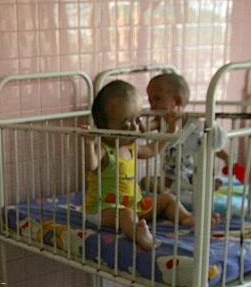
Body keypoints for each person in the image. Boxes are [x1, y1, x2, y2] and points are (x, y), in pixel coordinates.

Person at [85, 80, 195, 249]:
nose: (136, 127)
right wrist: (88, 144)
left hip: (134, 204)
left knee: (168, 199)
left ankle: (187, 218)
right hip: (103, 209)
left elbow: (152, 150)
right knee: (125, 215)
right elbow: (91, 165)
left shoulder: (131, 147)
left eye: (137, 119)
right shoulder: (105, 149)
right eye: (127, 123)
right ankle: (139, 234)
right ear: (104, 128)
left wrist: (169, 133)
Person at [145, 72, 232, 210]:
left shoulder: (196, 125)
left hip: (192, 174)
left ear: (178, 101)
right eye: (150, 101)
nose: (152, 106)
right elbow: (144, 128)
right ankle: (172, 193)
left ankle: (211, 183)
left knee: (200, 182)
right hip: (170, 176)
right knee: (145, 182)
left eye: (157, 99)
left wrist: (227, 158)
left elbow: (212, 146)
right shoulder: (161, 122)